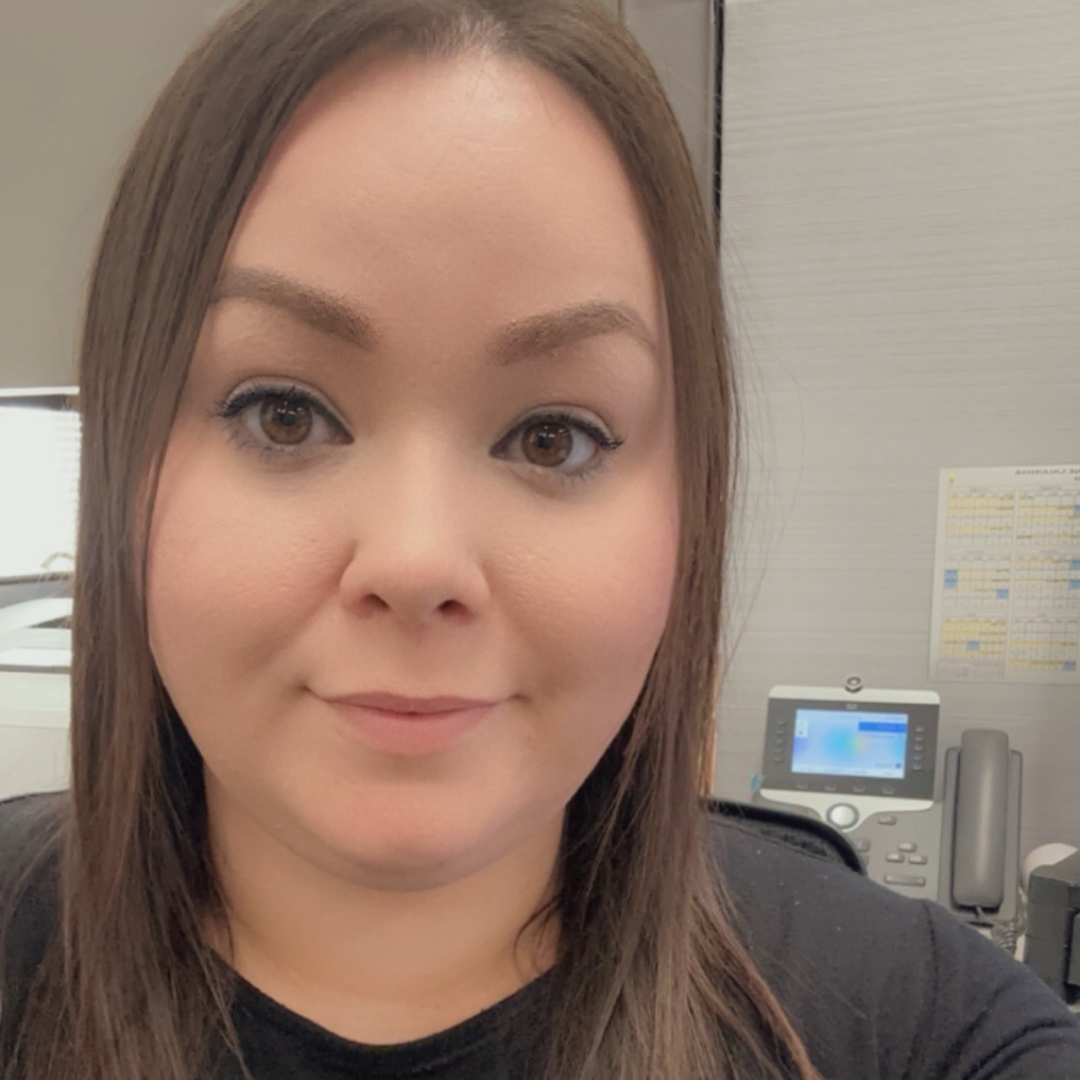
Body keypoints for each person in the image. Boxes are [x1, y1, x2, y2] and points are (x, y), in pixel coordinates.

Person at [1, 1, 1078, 1078]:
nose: (417, 561)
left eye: (553, 438)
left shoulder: (922, 1030)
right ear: (123, 465)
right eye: (282, 412)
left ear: (687, 503)